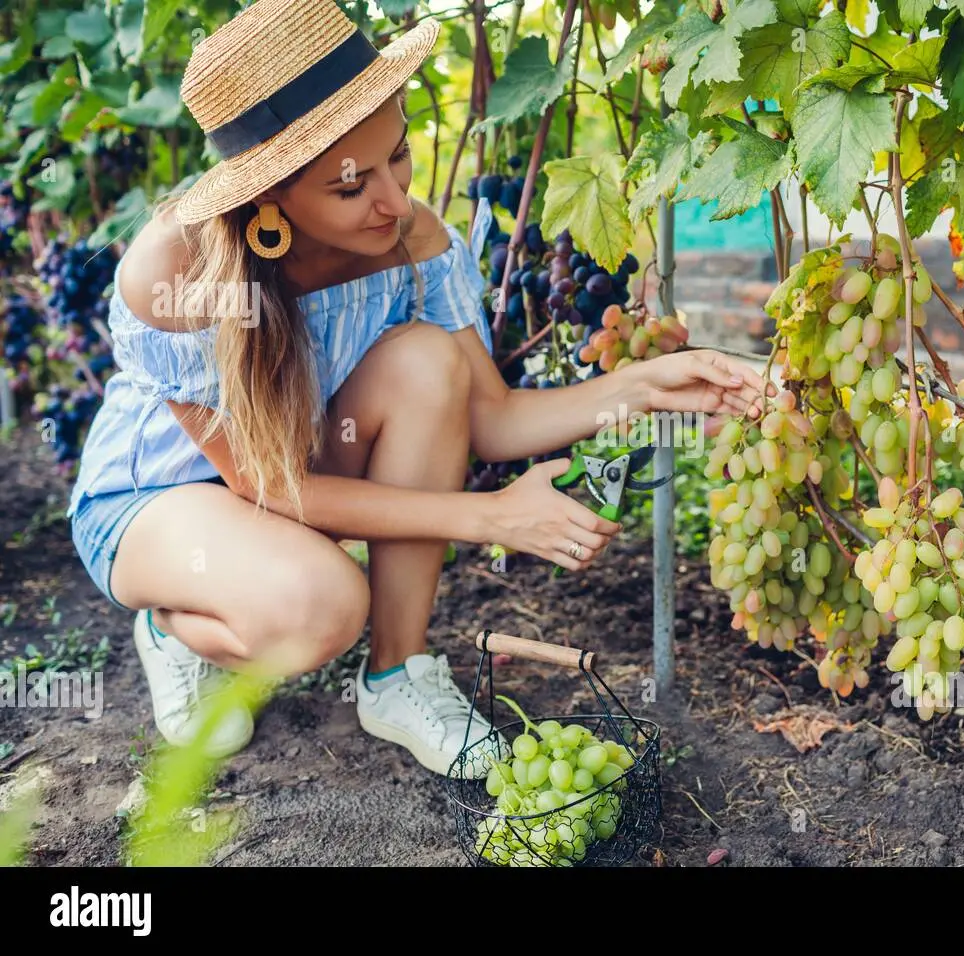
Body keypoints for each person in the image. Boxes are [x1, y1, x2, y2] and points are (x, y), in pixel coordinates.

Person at [65, 0, 774, 776]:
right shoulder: (175, 272)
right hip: (161, 501)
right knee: (322, 609)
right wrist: (492, 517)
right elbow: (272, 489)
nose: (396, 202)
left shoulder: (412, 238)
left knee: (428, 359)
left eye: (397, 157)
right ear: (266, 195)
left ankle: (398, 676)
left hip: (300, 478)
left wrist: (644, 386)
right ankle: (174, 628)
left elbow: (492, 419)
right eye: (350, 186)